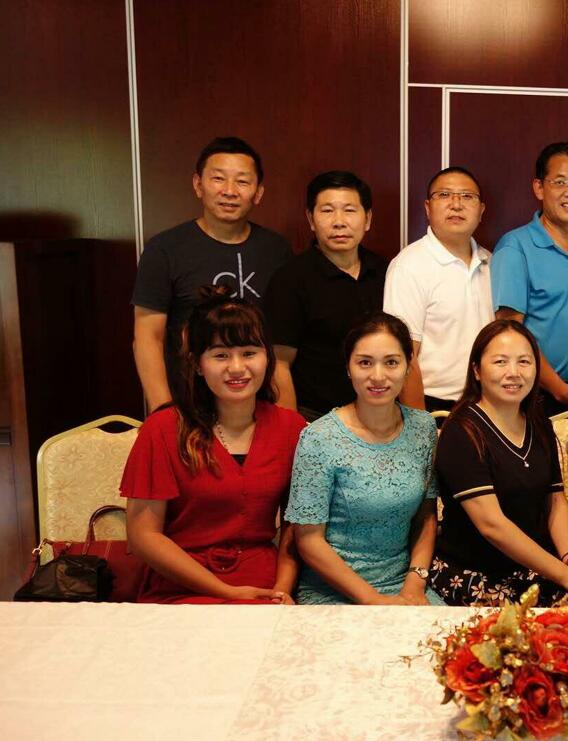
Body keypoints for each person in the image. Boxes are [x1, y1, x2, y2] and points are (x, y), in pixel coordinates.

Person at [121, 286, 306, 603]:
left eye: (249, 353)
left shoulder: (291, 428)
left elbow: (296, 526)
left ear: (268, 357)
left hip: (264, 584)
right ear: (196, 364)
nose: (237, 368)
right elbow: (143, 536)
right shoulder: (163, 429)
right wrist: (226, 592)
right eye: (220, 355)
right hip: (182, 587)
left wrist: (282, 592)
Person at [428, 319, 568, 607]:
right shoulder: (462, 432)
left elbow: (554, 500)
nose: (513, 372)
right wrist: (565, 575)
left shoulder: (538, 423)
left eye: (524, 362)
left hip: (535, 568)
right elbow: (492, 525)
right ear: (476, 370)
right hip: (476, 573)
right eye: (500, 362)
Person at [284, 313, 443, 605]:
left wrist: (415, 583)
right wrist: (373, 600)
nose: (378, 376)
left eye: (391, 362)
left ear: (409, 365)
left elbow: (426, 516)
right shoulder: (319, 438)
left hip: (404, 584)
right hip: (332, 590)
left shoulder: (423, 429)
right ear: (348, 367)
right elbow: (307, 539)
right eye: (365, 363)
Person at [132, 137, 292, 410]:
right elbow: (148, 337)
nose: (229, 191)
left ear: (258, 192)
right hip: (189, 405)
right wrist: (164, 410)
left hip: (260, 405)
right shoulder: (165, 249)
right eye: (218, 179)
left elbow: (281, 342)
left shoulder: (277, 250)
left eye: (242, 181)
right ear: (198, 185)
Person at [264, 171, 387, 421]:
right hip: (316, 417)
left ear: (367, 219)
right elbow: (279, 364)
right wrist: (294, 430)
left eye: (349, 210)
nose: (339, 222)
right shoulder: (290, 279)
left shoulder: (387, 271)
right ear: (311, 219)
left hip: (380, 414)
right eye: (327, 211)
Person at [491, 142, 568, 417]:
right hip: (536, 395)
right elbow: (510, 331)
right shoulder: (515, 247)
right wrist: (558, 389)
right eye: (560, 182)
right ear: (539, 188)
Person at [384, 166, 492, 413]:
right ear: (427, 208)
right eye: (444, 195)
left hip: (489, 403)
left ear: (481, 210)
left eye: (467, 196)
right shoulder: (408, 266)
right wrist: (421, 425)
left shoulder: (492, 263)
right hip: (434, 406)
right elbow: (403, 356)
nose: (456, 204)